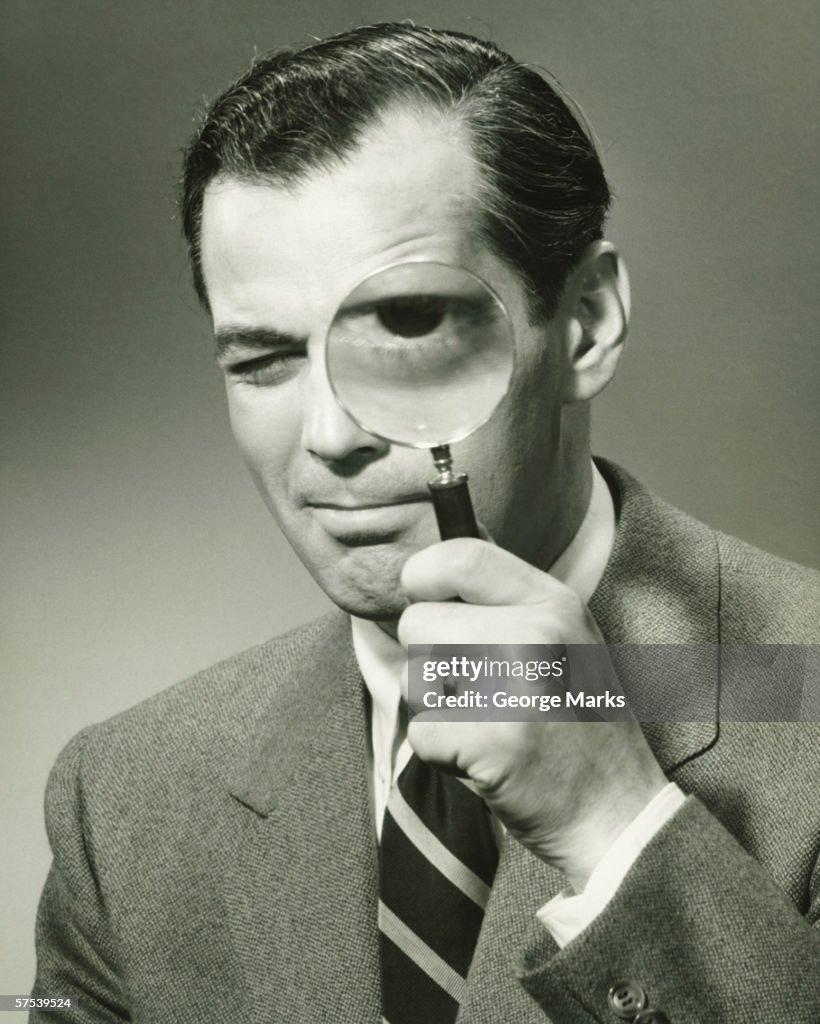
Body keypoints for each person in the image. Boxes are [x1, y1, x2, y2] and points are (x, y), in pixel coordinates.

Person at [31, 22, 819, 1024]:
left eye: (407, 326)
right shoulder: (126, 799)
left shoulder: (806, 692)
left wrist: (611, 825)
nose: (329, 436)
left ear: (584, 322)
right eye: (264, 359)